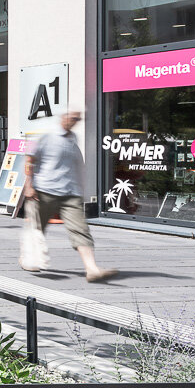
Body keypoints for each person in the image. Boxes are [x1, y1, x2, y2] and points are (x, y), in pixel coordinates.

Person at [23, 109, 117, 282]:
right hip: (45, 191)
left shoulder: (73, 137)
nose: (75, 121)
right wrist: (29, 186)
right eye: (73, 118)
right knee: (37, 228)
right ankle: (29, 258)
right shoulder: (47, 136)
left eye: (78, 119)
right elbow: (30, 161)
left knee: (80, 229)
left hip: (70, 193)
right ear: (63, 117)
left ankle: (91, 269)